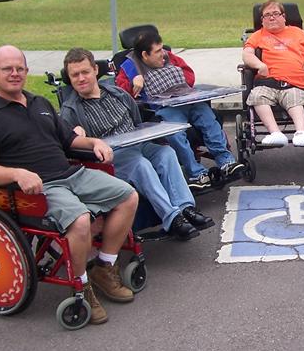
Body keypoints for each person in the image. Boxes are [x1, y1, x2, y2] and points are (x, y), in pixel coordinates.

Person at [0, 45, 140, 325]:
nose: (14, 74)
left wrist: (94, 142)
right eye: (7, 68)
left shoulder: (39, 104)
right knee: (80, 221)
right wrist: (17, 174)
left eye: (19, 68)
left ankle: (104, 267)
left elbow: (69, 140)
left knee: (128, 196)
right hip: (35, 190)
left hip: (71, 174)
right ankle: (81, 286)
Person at [59, 48, 214, 243]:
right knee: (139, 164)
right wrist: (77, 134)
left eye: (85, 72)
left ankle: (186, 208)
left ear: (95, 71)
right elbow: (70, 144)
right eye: (75, 75)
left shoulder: (117, 94)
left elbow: (137, 122)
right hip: (110, 156)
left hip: (137, 143)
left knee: (165, 153)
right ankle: (172, 217)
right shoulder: (71, 110)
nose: (81, 78)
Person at [116, 29, 242, 190]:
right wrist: (134, 83)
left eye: (162, 48)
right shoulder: (129, 67)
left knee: (209, 120)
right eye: (157, 52)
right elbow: (122, 94)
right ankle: (196, 173)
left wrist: (176, 84)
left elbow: (189, 76)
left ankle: (226, 161)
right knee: (176, 134)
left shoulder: (170, 57)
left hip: (188, 99)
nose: (163, 54)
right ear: (145, 55)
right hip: (165, 108)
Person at [241, 0, 304, 148]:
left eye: (276, 14)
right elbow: (247, 54)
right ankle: (275, 133)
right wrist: (259, 65)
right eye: (267, 15)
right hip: (268, 82)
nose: (272, 17)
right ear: (262, 21)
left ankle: (301, 132)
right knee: (257, 96)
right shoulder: (258, 35)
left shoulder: (298, 33)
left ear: (284, 17)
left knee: (294, 97)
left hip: (295, 82)